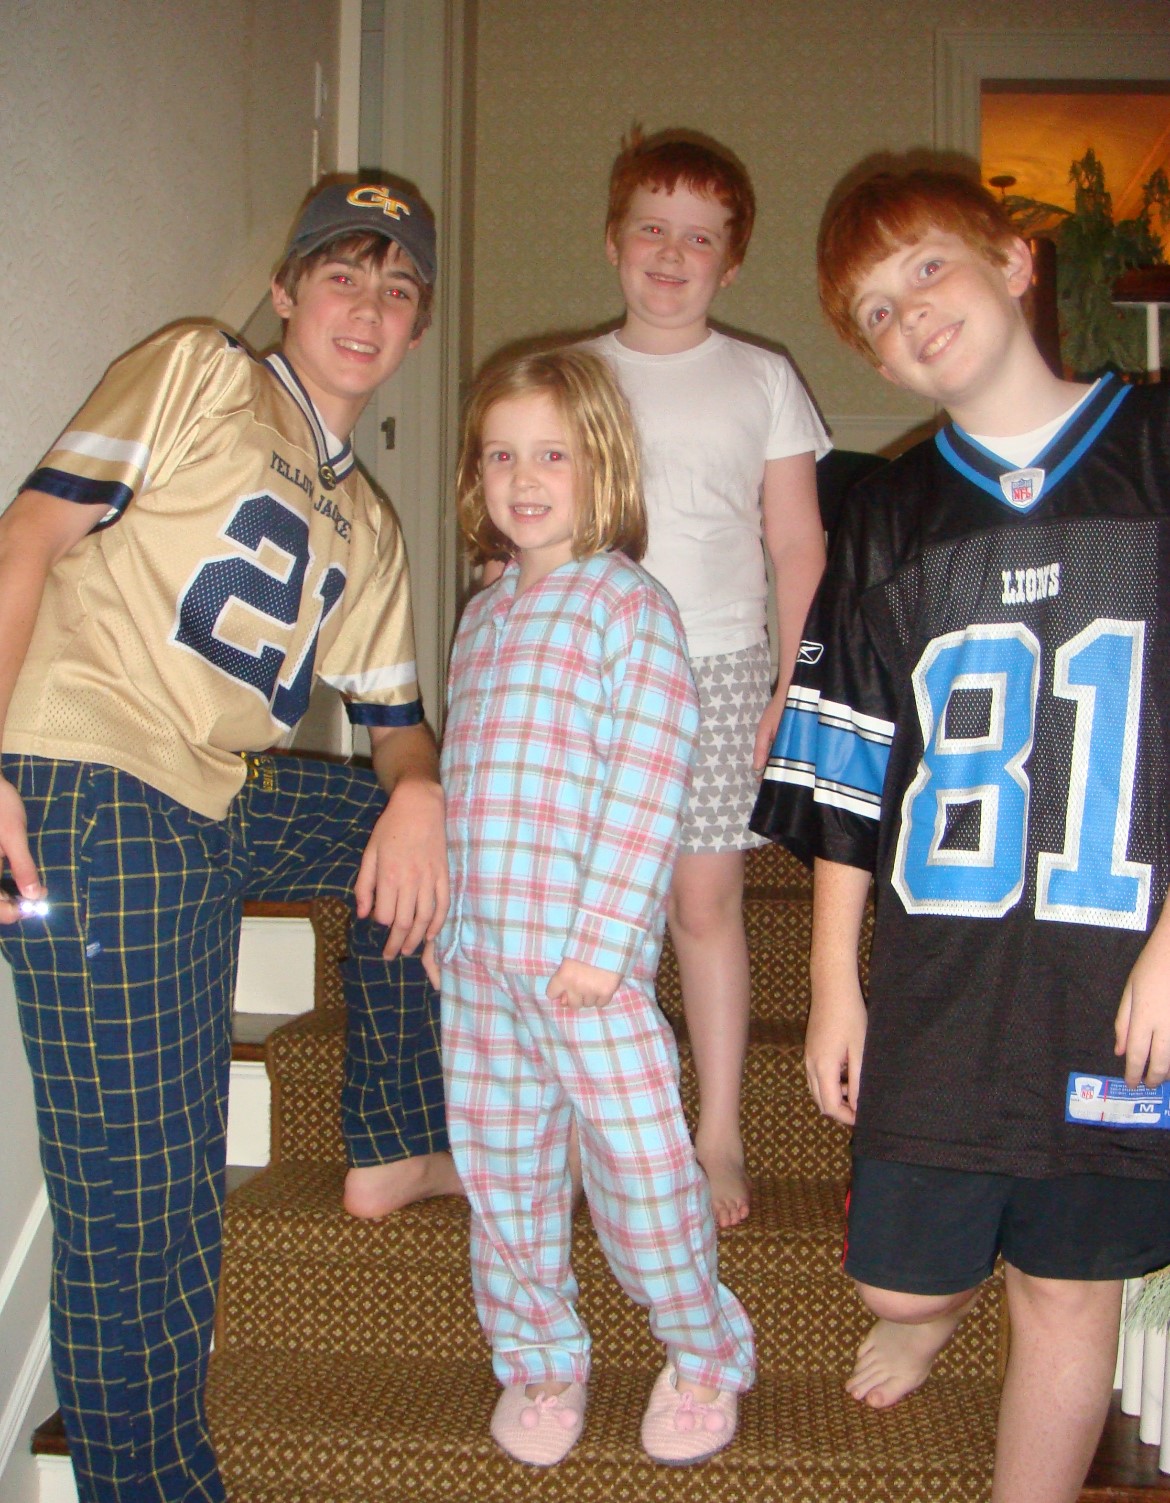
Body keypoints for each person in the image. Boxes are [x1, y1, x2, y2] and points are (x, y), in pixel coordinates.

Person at [0, 177, 460, 1503]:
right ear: (286, 289)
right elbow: (27, 535)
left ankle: (388, 1136)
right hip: (89, 787)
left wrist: (420, 785)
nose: (366, 307)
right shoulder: (199, 373)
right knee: (146, 1203)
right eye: (341, 275)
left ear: (417, 322)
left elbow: (393, 725)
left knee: (426, 829)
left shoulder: (367, 523)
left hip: (214, 795)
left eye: (396, 287)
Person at [751, 165, 1170, 1503]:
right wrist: (832, 976)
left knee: (1068, 1288)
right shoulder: (881, 509)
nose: (906, 314)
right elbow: (845, 756)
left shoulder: (1156, 449)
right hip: (944, 969)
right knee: (895, 1263)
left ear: (1013, 259)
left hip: (1120, 971)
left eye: (923, 267)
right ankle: (923, 1313)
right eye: (873, 311)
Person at [432, 348, 755, 1469]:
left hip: (588, 971)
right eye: (502, 455)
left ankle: (704, 1351)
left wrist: (605, 944)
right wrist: (451, 928)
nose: (525, 478)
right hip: (482, 969)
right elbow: (468, 788)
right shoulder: (481, 615)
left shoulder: (629, 607)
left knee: (643, 1176)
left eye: (552, 456)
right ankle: (538, 1362)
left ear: (601, 464)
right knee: (504, 1180)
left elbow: (647, 786)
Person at [587, 127, 830, 1227]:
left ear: (731, 264)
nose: (673, 254)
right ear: (613, 242)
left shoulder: (765, 379)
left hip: (726, 666)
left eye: (700, 238)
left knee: (704, 896)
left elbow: (797, 547)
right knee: (602, 910)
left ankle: (716, 1127)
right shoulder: (572, 375)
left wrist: (793, 680)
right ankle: (612, 1123)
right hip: (594, 669)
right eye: (653, 229)